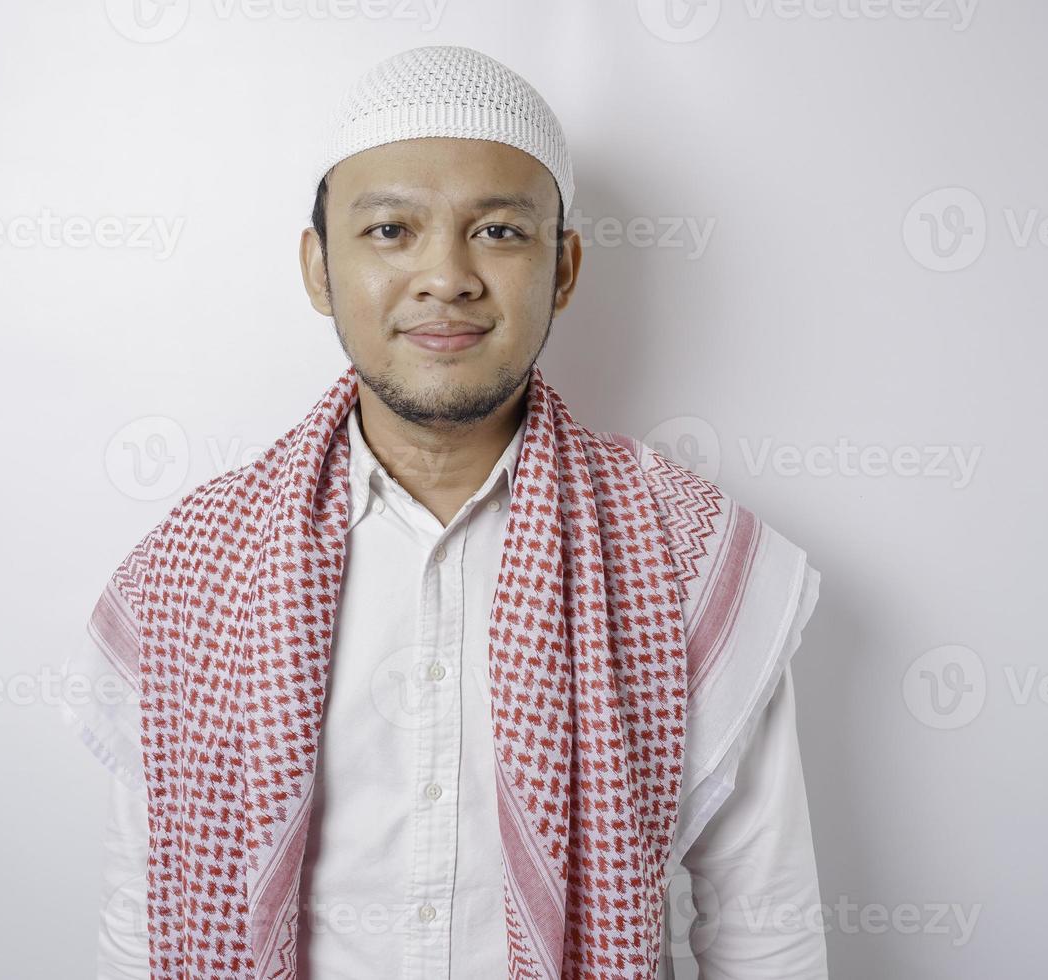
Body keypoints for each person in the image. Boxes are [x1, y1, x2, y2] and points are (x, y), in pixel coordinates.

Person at [60, 43, 828, 980]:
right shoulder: (195, 567)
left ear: (566, 267)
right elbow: (146, 920)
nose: (446, 276)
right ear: (317, 267)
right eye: (390, 231)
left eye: (499, 232)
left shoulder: (684, 557)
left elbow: (763, 924)